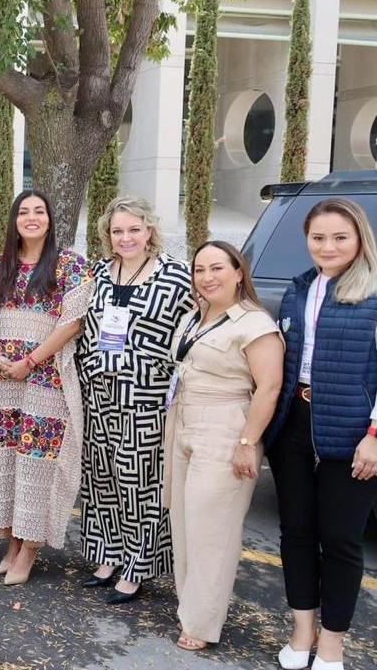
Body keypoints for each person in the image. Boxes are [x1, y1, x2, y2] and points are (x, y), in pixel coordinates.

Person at [267, 198, 377, 670]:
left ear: (359, 239)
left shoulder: (373, 291)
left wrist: (374, 435)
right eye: (318, 237)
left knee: (341, 540)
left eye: (339, 237)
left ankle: (332, 644)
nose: (328, 246)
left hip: (353, 431)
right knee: (296, 532)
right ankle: (302, 630)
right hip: (294, 422)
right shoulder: (299, 290)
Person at [75, 196, 194, 603]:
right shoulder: (99, 273)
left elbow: (195, 328)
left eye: (134, 230)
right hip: (98, 392)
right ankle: (108, 553)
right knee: (101, 477)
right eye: (117, 231)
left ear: (149, 231)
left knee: (139, 482)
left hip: (145, 396)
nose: (125, 238)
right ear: (107, 235)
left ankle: (138, 565)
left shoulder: (175, 276)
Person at [166, 241, 283, 652]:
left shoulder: (255, 324)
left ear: (238, 272)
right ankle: (190, 607)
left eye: (217, 268)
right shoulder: (195, 316)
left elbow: (269, 388)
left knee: (212, 531)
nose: (207, 277)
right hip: (183, 420)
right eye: (199, 269)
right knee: (183, 523)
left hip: (225, 426)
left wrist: (247, 442)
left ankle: (202, 622)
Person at [0, 190, 92, 585]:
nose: (31, 217)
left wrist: (29, 362)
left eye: (39, 211)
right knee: (8, 460)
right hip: (4, 379)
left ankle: (30, 548)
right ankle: (12, 541)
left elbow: (72, 323)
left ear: (49, 219)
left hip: (46, 379)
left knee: (37, 462)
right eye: (23, 212)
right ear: (14, 220)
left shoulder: (70, 264)